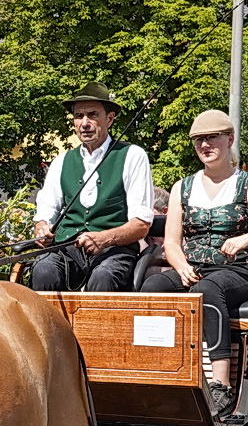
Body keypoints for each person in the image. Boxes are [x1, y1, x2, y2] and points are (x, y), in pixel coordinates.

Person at [140, 109, 248, 418]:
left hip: (233, 273)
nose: (205, 146)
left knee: (207, 290)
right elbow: (173, 242)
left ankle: (220, 384)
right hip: (190, 267)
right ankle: (158, 369)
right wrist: (179, 266)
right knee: (152, 287)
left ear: (229, 139)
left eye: (212, 138)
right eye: (198, 140)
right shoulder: (182, 187)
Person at [30, 83, 155, 291]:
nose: (84, 123)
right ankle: (46, 324)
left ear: (110, 118)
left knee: (104, 276)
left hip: (114, 250)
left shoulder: (132, 156)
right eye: (79, 116)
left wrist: (105, 238)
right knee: (44, 270)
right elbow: (45, 213)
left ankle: (96, 325)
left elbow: (141, 224)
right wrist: (42, 229)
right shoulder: (61, 161)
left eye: (92, 115)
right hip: (68, 250)